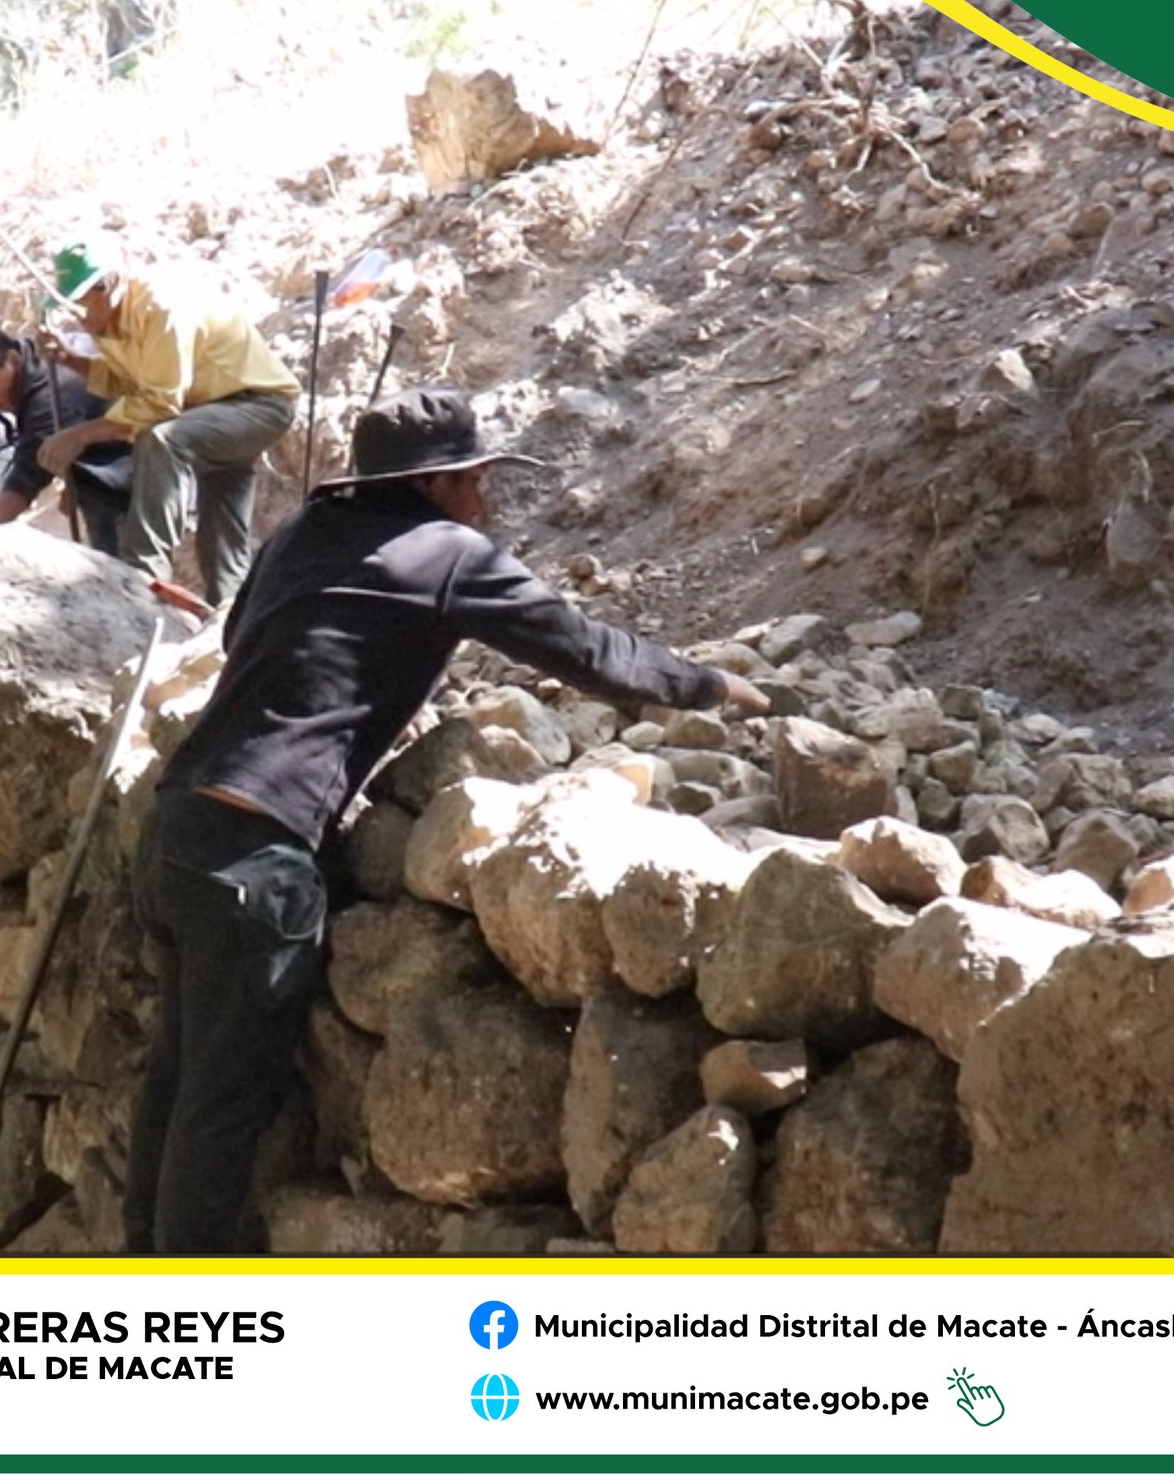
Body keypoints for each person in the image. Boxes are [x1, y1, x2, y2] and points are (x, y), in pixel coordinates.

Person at [125, 386, 771, 1254]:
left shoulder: (298, 535)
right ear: (434, 484)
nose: (484, 495)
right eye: (474, 476)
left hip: (179, 827)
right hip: (257, 855)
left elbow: (252, 637)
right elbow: (586, 651)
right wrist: (711, 684)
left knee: (174, 1086)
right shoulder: (445, 553)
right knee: (224, 1106)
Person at [34, 238, 300, 606]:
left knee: (163, 440)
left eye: (80, 299)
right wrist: (68, 358)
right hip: (210, 411)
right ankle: (230, 619)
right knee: (222, 544)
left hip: (256, 407)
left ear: (108, 283)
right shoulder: (116, 319)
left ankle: (143, 573)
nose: (77, 313)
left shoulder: (161, 308)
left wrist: (81, 435)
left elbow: (160, 403)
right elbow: (133, 382)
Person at [0, 321, 131, 556]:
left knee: (103, 510)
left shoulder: (51, 391)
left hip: (135, 448)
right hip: (105, 429)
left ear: (12, 360)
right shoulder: (31, 357)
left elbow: (27, 475)